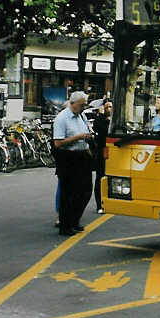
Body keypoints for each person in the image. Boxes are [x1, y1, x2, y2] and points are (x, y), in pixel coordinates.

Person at [53, 91, 94, 236]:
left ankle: (75, 219)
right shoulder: (62, 119)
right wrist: (78, 137)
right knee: (69, 193)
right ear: (72, 103)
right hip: (68, 157)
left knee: (86, 190)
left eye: (84, 105)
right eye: (81, 105)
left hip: (82, 155)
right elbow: (58, 143)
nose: (83, 108)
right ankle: (66, 224)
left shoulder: (81, 116)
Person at [92, 100, 112, 214]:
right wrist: (103, 118)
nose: (109, 109)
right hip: (102, 151)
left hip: (114, 151)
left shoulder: (115, 120)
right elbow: (100, 131)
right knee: (100, 177)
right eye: (107, 107)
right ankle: (99, 204)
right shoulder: (99, 119)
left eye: (110, 107)